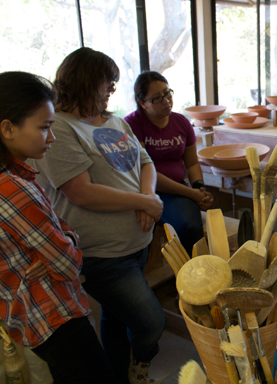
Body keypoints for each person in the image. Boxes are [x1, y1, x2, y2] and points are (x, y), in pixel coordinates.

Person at [29, 48, 166, 384]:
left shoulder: (116, 120)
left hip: (136, 241)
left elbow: (146, 162)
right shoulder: (58, 128)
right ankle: (139, 368)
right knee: (152, 322)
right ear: (85, 83)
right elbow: (81, 192)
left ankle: (119, 375)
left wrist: (147, 199)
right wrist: (144, 202)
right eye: (108, 83)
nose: (112, 91)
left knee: (116, 319)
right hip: (101, 252)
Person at [0, 71, 117, 383]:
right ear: (8, 128)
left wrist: (64, 238)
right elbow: (66, 264)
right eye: (44, 128)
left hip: (32, 316)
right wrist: (68, 247)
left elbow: (61, 230)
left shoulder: (19, 175)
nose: (51, 137)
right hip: (53, 316)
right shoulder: (12, 188)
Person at [124, 71, 213, 254]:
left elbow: (192, 164)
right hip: (145, 190)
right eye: (157, 98)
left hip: (179, 190)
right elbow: (146, 171)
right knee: (142, 234)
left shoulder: (181, 122)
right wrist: (191, 193)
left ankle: (196, 275)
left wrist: (199, 187)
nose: (166, 101)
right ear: (142, 103)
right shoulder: (132, 124)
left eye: (167, 93)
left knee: (189, 226)